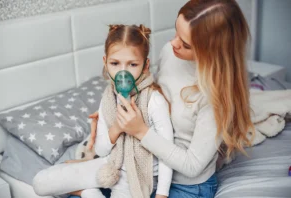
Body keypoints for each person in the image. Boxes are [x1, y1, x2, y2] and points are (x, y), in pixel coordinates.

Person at [88, 0, 254, 197]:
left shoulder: (216, 98)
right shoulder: (170, 52)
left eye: (185, 44)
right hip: (150, 171)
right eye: (176, 32)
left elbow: (192, 166)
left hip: (188, 185)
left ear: (212, 51)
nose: (173, 43)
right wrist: (109, 115)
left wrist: (141, 132)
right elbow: (151, 92)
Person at [33, 24, 174, 198]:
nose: (123, 72)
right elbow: (101, 150)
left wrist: (162, 194)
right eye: (115, 63)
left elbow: (168, 153)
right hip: (110, 165)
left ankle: (88, 193)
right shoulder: (108, 98)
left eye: (132, 64)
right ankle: (88, 190)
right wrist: (117, 127)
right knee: (41, 182)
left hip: (138, 175)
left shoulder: (154, 101)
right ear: (105, 62)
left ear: (145, 66)